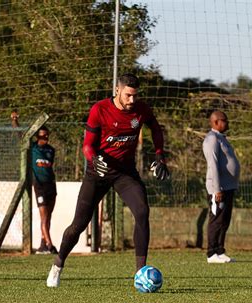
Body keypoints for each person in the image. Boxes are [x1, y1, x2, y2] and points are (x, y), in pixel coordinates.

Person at [46, 73, 170, 287]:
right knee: (78, 225)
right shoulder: (100, 109)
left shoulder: (141, 110)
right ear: (117, 91)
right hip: (98, 172)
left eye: (135, 96)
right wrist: (93, 160)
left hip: (125, 173)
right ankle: (57, 265)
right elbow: (87, 145)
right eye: (128, 95)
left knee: (142, 211)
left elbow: (156, 128)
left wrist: (160, 155)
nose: (132, 100)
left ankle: (140, 273)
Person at [11, 111, 58, 254]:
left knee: (48, 217)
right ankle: (50, 245)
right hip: (39, 186)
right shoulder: (33, 148)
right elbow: (21, 136)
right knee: (43, 216)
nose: (45, 138)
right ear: (37, 136)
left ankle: (43, 245)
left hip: (51, 185)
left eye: (47, 136)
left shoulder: (51, 150)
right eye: (42, 136)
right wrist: (15, 122)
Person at [202, 110, 240, 263]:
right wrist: (217, 189)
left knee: (224, 220)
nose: (227, 123)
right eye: (225, 120)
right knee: (216, 219)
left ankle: (220, 250)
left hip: (229, 186)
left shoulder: (221, 138)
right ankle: (211, 253)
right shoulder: (212, 139)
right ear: (216, 122)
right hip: (219, 188)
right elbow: (213, 165)